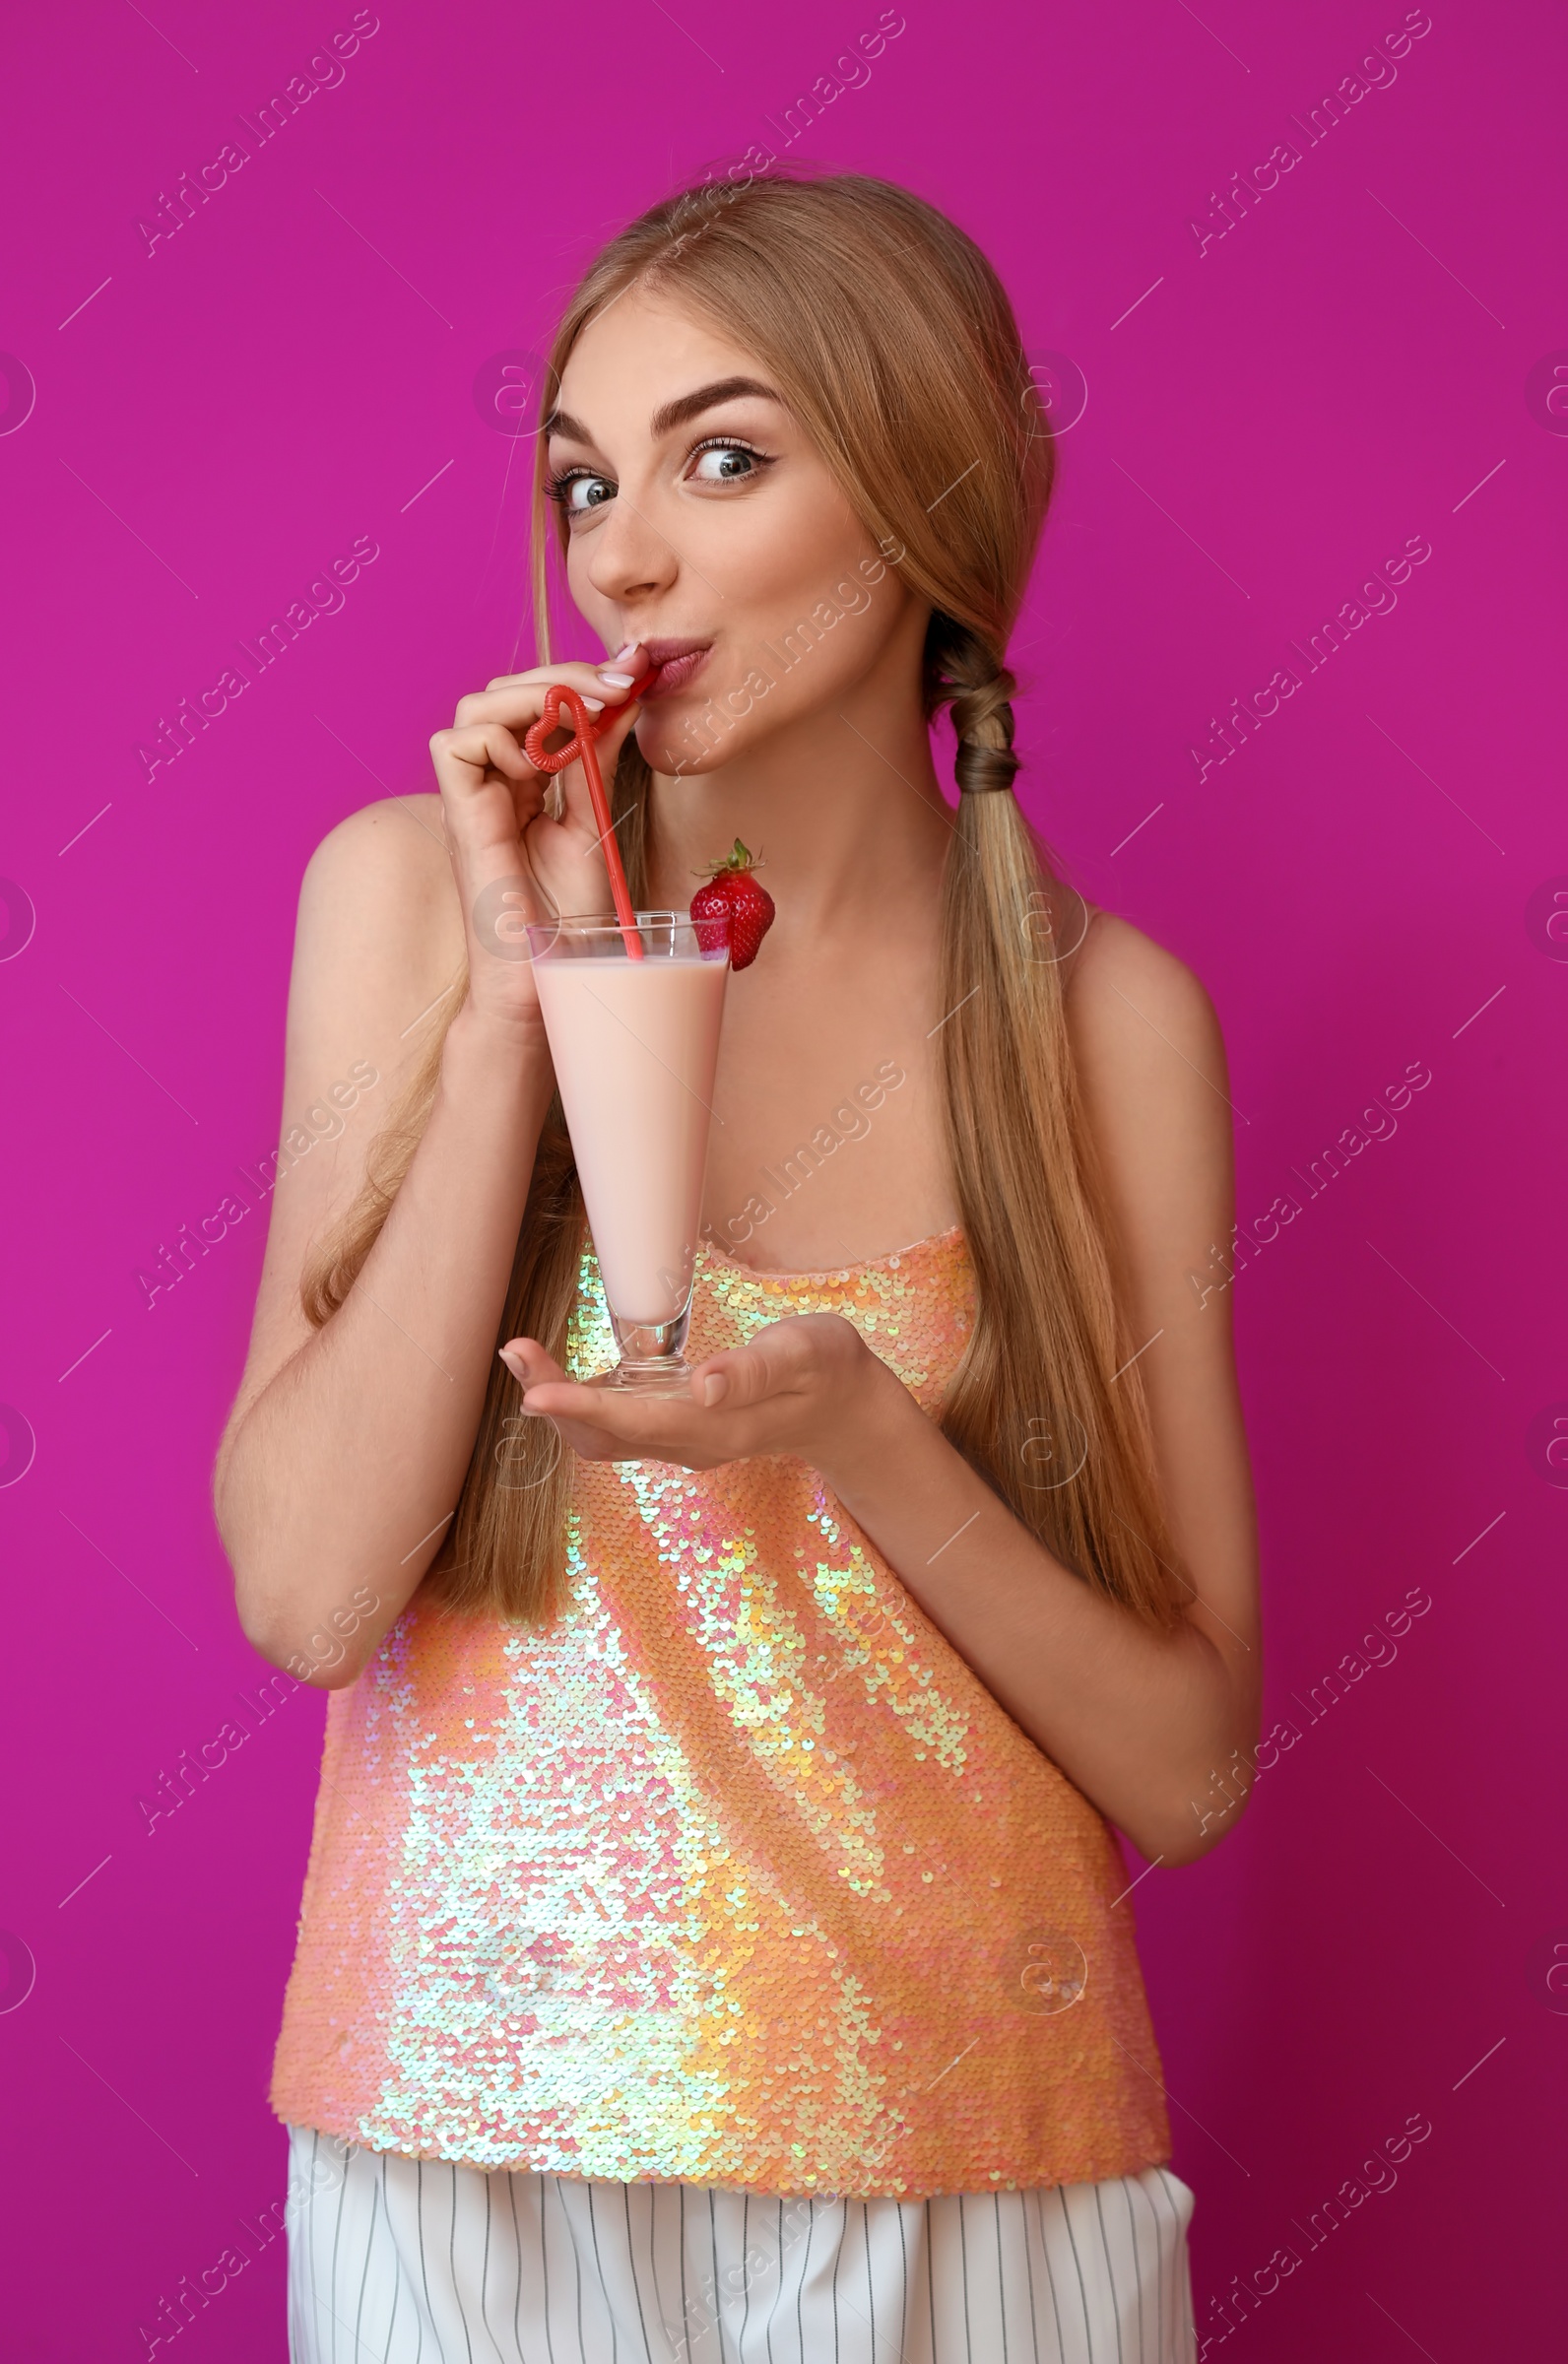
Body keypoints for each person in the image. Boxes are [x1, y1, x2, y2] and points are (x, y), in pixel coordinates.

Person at [215, 168, 1261, 2364]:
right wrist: (521, 1001)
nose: (621, 551)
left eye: (721, 457)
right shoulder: (409, 899)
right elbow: (309, 1596)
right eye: (581, 478)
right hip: (465, 2155)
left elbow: (1183, 1764)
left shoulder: (1100, 1023)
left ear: (927, 501)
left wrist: (863, 1437)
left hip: (967, 2175)